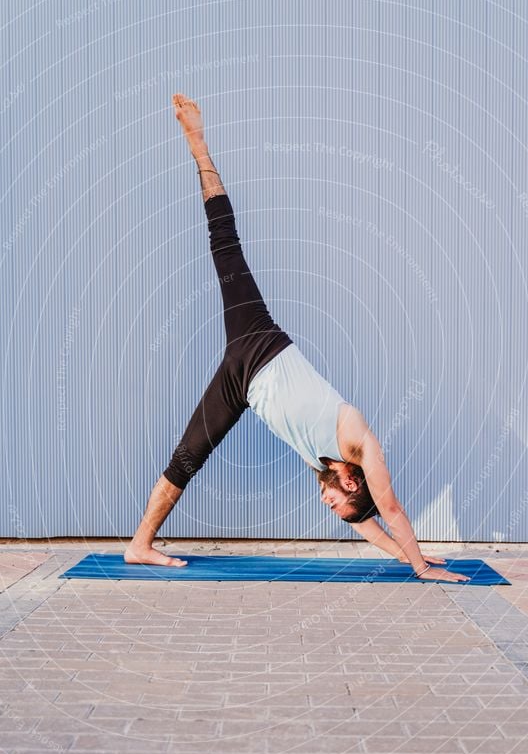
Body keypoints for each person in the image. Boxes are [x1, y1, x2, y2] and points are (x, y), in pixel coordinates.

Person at [124, 94, 469, 584]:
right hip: (259, 341)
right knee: (225, 241)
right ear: (353, 480)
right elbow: (387, 506)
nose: (329, 505)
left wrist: (402, 556)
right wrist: (420, 566)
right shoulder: (358, 441)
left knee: (186, 457)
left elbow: (369, 524)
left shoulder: (325, 466)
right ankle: (198, 143)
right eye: (339, 502)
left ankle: (140, 545)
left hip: (239, 384)